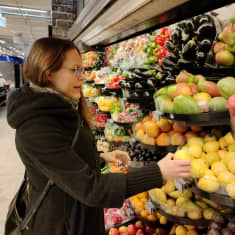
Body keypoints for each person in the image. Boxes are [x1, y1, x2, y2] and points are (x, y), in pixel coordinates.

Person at [6, 37, 191, 235]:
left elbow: (65, 157)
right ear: (49, 73)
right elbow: (92, 189)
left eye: (82, 69)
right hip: (63, 225)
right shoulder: (37, 127)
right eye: (75, 69)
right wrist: (158, 172)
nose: (82, 77)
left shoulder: (61, 106)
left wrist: (99, 157)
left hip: (79, 215)